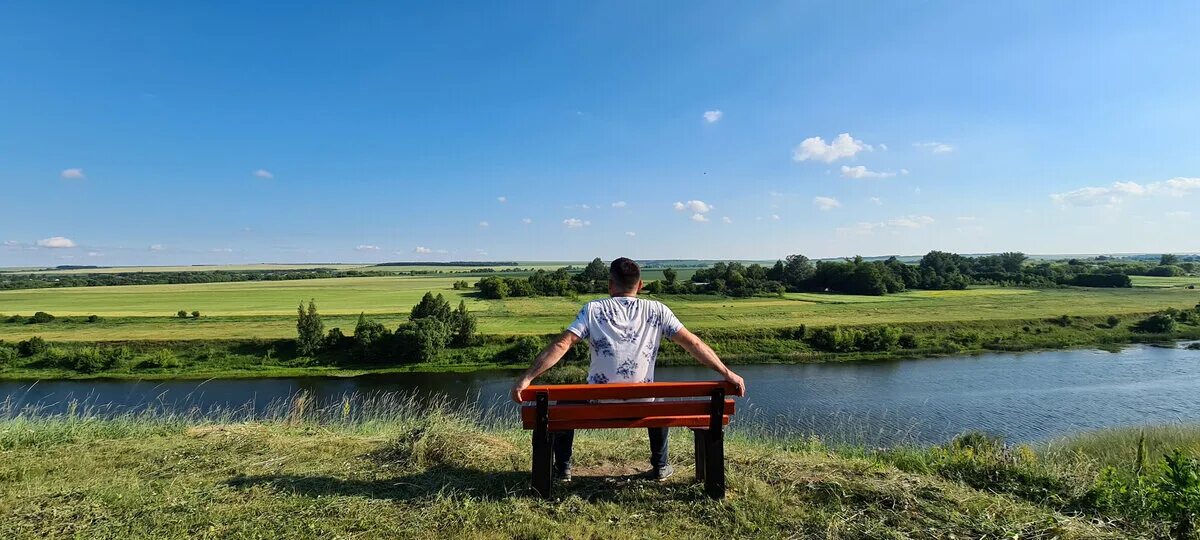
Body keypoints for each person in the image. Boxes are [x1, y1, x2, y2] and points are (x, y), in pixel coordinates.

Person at [510, 257, 746, 482]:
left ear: (610, 284)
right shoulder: (658, 310)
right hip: (642, 403)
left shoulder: (593, 309)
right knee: (660, 401)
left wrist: (527, 378)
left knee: (562, 406)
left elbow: (563, 344)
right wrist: (727, 372)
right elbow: (693, 343)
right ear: (640, 285)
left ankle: (562, 469)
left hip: (596, 404)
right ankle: (661, 466)